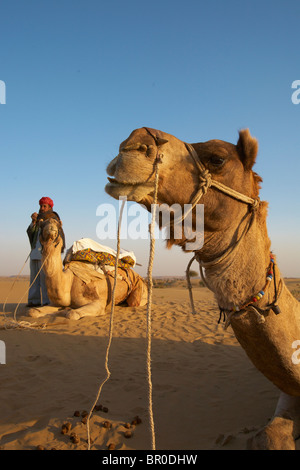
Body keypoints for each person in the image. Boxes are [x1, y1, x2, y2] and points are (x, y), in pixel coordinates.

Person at [26, 197, 63, 307]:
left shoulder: (53, 219)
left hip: (46, 254)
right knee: (34, 279)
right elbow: (30, 233)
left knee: (45, 280)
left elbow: (56, 235)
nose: (42, 208)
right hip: (34, 253)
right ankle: (34, 301)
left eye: (44, 206)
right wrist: (33, 222)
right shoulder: (38, 220)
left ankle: (47, 302)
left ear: (50, 207)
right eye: (41, 206)